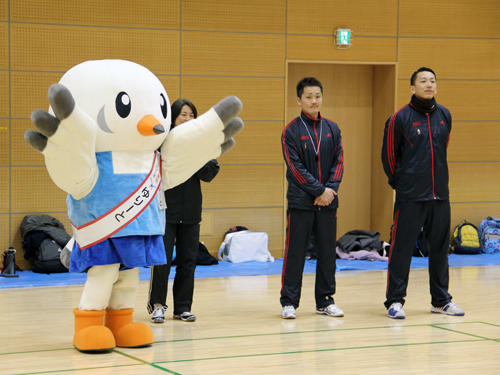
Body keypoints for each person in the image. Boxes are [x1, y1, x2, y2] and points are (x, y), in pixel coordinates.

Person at [381, 67, 464, 319]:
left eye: (432, 81)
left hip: (440, 195)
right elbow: (389, 157)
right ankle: (395, 301)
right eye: (423, 81)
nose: (429, 84)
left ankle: (440, 300)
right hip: (410, 196)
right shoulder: (400, 118)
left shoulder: (445, 115)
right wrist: (402, 184)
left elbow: (443, 147)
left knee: (440, 249)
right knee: (401, 248)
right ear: (412, 88)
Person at [147, 99, 220, 323]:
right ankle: (157, 305)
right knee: (163, 261)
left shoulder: (201, 144)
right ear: (173, 118)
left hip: (191, 212)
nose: (188, 119)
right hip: (165, 211)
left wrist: (193, 155)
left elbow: (209, 173)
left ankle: (182, 307)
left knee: (188, 261)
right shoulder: (161, 142)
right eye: (183, 115)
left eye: (191, 115)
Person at [280, 77, 344, 319]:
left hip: (328, 203)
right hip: (301, 203)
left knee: (327, 253)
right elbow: (295, 169)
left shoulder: (333, 128)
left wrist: (329, 190)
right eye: (308, 96)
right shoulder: (291, 131)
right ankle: (289, 302)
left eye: (317, 96)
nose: (314, 100)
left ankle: (325, 300)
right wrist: (319, 191)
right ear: (299, 100)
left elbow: (339, 163)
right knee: (295, 252)